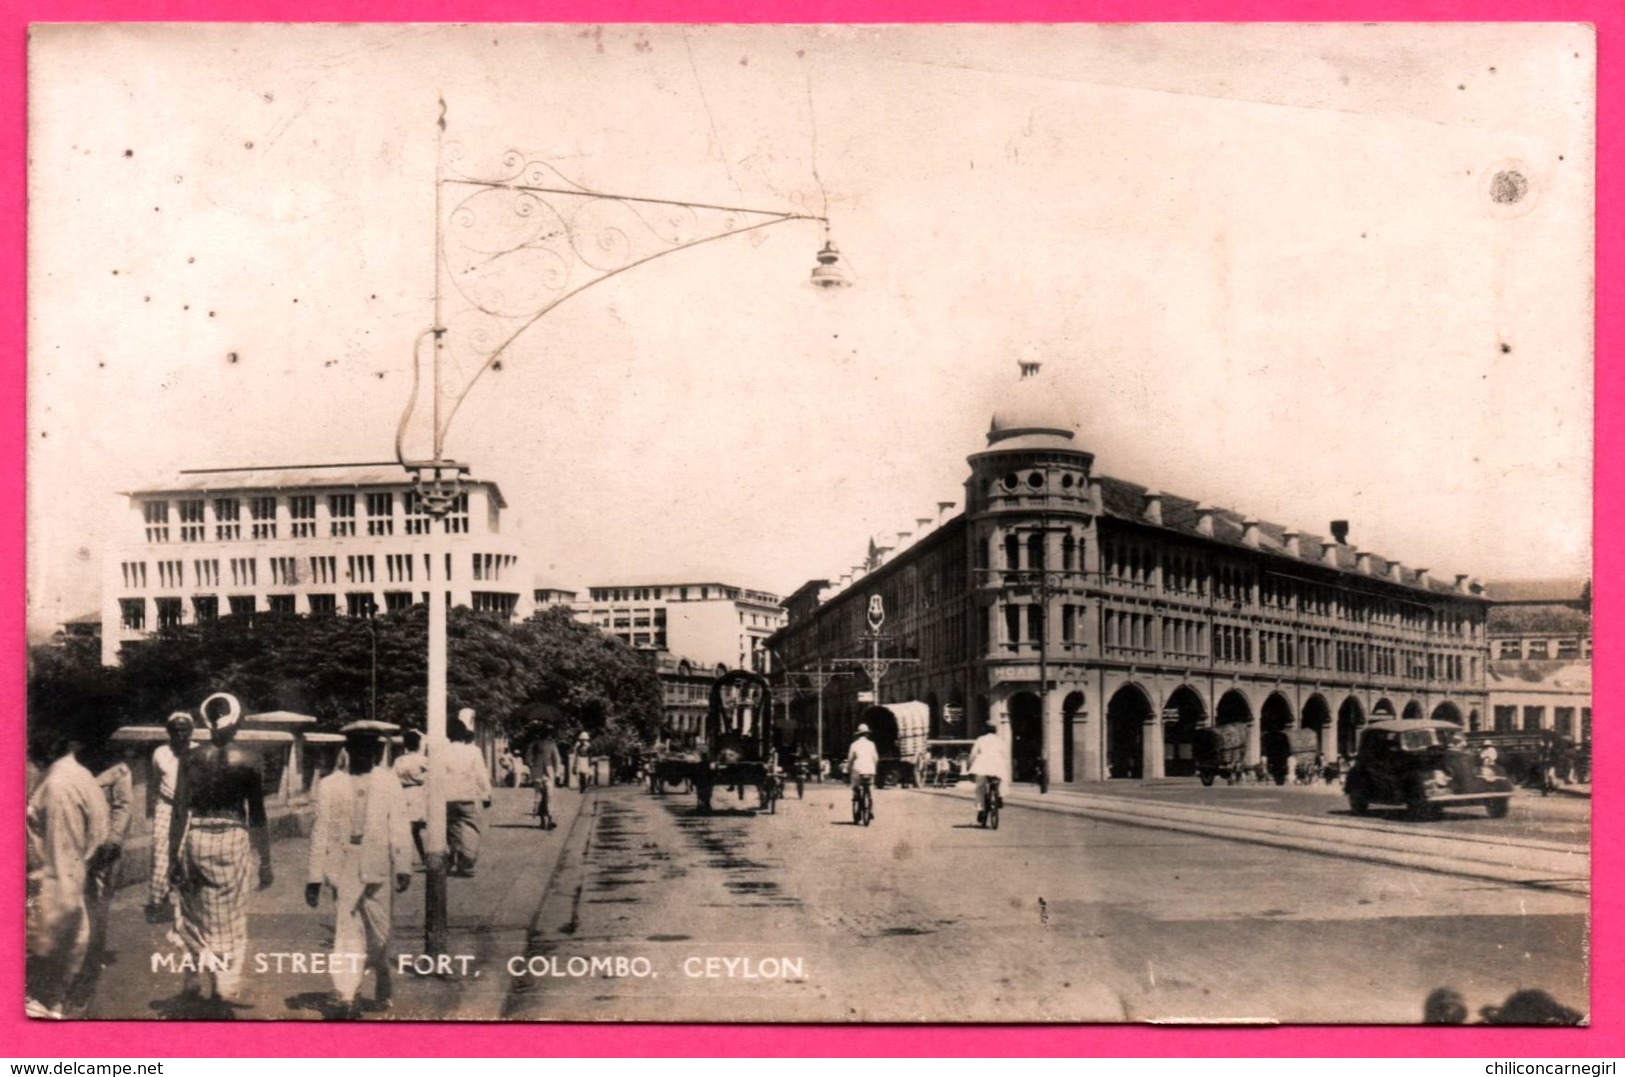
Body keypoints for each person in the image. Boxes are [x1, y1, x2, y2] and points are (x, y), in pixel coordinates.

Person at [167, 693, 273, 1006]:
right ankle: (224, 984)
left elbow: (179, 811)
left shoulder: (190, 757)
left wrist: (174, 857)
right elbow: (257, 815)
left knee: (195, 912)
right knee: (232, 915)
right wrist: (265, 861)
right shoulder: (250, 759)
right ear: (236, 720)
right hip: (233, 837)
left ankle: (199, 975)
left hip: (197, 836)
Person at [305, 721, 413, 1019]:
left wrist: (403, 864)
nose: (365, 755)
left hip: (378, 861)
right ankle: (347, 995)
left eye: (371, 749)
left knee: (380, 933)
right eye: (359, 749)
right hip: (343, 864)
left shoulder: (388, 782)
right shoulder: (330, 785)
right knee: (347, 930)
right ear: (349, 750)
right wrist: (314, 877)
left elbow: (399, 825)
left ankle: (381, 971)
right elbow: (321, 832)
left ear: (377, 752)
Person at [26, 720, 110, 1019]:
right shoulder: (79, 775)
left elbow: (62, 867)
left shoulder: (57, 786)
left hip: (61, 915)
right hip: (77, 895)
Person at [67, 743, 135, 1012]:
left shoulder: (118, 772)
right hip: (71, 849)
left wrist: (112, 842)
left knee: (96, 914)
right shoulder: (71, 767)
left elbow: (124, 809)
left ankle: (87, 977)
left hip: (102, 854)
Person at [146, 712, 195, 924]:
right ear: (169, 732)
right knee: (161, 852)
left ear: (191, 731)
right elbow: (155, 782)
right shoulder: (160, 753)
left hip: (192, 809)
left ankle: (191, 906)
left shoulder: (199, 752)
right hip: (166, 807)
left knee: (189, 853)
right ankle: (158, 902)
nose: (181, 734)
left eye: (185, 730)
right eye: (176, 730)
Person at [442, 710, 491, 877]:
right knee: (470, 828)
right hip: (467, 796)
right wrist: (486, 794)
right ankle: (467, 862)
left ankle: (449, 860)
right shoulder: (473, 751)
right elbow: (481, 774)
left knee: (450, 829)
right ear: (464, 734)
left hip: (447, 797)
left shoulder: (440, 751)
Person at [392, 728, 429, 865]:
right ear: (419, 744)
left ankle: (404, 857)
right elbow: (432, 776)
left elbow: (392, 778)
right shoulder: (423, 760)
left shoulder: (399, 761)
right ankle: (424, 856)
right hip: (418, 793)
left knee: (406, 828)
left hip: (402, 793)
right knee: (418, 828)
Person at [966, 718, 1012, 826]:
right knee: (1002, 780)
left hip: (983, 766)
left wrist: (969, 767)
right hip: (997, 766)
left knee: (980, 788)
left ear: (985, 730)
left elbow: (973, 755)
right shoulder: (1000, 740)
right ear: (995, 730)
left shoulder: (980, 739)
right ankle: (1000, 796)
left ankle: (981, 808)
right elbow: (1006, 756)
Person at [846, 723, 879, 817]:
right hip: (870, 770)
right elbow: (876, 758)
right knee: (870, 788)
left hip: (858, 770)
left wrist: (848, 768)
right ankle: (870, 809)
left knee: (856, 787)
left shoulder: (854, 745)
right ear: (867, 734)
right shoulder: (871, 744)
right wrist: (873, 768)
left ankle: (857, 801)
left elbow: (850, 759)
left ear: (858, 734)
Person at [530, 736, 562, 829]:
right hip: (549, 773)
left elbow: (528, 758)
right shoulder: (551, 745)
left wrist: (534, 766)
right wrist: (557, 774)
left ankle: (543, 822)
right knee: (549, 797)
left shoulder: (534, 744)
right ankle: (549, 821)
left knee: (539, 797)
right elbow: (557, 760)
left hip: (537, 774)